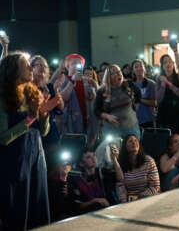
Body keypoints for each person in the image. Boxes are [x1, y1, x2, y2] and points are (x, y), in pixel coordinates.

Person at [0, 52, 57, 230]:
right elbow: (3, 138)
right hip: (14, 161)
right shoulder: (3, 98)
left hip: (36, 158)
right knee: (17, 210)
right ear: (12, 71)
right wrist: (31, 118)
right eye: (26, 65)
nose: (31, 68)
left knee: (38, 207)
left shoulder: (33, 93)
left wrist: (44, 114)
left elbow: (44, 131)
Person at [94, 64, 141, 169]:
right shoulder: (102, 91)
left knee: (133, 157)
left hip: (131, 127)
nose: (118, 74)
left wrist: (136, 106)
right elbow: (96, 111)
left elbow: (138, 93)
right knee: (114, 159)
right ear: (109, 77)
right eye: (114, 73)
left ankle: (134, 179)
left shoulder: (128, 85)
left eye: (119, 71)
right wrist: (107, 116)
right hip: (113, 131)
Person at [111, 134, 160, 202]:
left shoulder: (148, 161)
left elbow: (155, 186)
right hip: (130, 200)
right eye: (130, 141)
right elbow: (120, 185)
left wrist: (138, 197)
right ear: (125, 146)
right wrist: (124, 201)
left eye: (136, 140)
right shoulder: (120, 163)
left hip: (149, 198)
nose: (134, 142)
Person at [30, 55, 64, 150]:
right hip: (32, 132)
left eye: (45, 66)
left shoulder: (49, 87)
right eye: (39, 65)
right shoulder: (26, 87)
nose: (43, 68)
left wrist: (56, 89)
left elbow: (61, 107)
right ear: (31, 67)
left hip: (51, 133)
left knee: (55, 163)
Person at [68, 148, 112, 215]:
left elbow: (120, 178)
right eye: (88, 157)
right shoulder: (76, 180)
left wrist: (114, 159)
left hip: (106, 211)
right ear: (81, 163)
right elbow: (77, 206)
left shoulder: (101, 172)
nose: (93, 158)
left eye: (94, 155)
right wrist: (95, 201)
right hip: (87, 215)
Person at [155, 54, 179, 135]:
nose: (168, 64)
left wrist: (168, 83)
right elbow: (159, 99)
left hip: (178, 113)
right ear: (162, 66)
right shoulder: (159, 78)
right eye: (165, 62)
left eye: (170, 62)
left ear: (173, 63)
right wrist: (163, 84)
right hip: (164, 113)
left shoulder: (178, 77)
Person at [131, 59, 156, 129]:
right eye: (136, 67)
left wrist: (139, 99)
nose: (139, 69)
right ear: (133, 70)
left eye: (141, 66)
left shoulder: (151, 84)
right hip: (133, 120)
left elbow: (155, 103)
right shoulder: (130, 85)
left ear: (144, 68)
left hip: (148, 119)